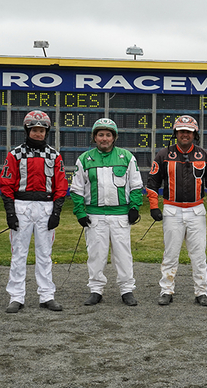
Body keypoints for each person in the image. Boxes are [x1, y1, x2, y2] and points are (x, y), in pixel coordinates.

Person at [146, 115, 207, 307]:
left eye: (188, 132)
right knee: (170, 254)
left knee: (198, 254)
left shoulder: (205, 155)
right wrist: (154, 206)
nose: (184, 135)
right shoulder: (163, 155)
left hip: (196, 210)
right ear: (175, 133)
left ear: (195, 134)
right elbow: (152, 182)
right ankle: (166, 290)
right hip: (172, 209)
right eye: (181, 131)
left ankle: (201, 292)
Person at [0, 110, 68, 313]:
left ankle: (47, 295)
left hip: (46, 207)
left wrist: (56, 212)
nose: (38, 134)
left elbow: (61, 185)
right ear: (27, 130)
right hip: (21, 206)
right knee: (19, 253)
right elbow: (6, 184)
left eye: (42, 130)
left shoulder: (54, 155)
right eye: (34, 130)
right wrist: (10, 213)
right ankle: (16, 297)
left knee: (45, 254)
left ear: (47, 131)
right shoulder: (15, 154)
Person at [70, 118, 143, 306]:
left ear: (114, 137)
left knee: (123, 254)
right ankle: (96, 290)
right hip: (94, 216)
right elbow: (76, 189)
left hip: (120, 216)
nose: (104, 138)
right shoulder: (84, 159)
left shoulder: (126, 157)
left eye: (108, 135)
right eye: (100, 135)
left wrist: (134, 207)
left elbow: (136, 185)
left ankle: (127, 290)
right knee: (96, 254)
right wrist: (80, 212)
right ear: (95, 137)